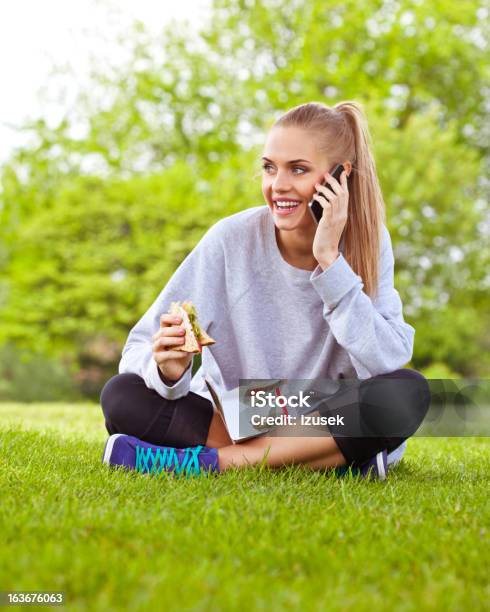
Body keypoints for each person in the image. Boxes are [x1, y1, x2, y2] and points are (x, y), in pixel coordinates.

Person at [100, 100, 430, 480]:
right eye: (269, 168)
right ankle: (328, 464)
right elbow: (138, 348)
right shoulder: (231, 239)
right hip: (241, 413)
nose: (278, 186)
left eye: (299, 170)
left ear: (341, 177)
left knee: (408, 392)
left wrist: (330, 263)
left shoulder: (369, 243)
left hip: (324, 413)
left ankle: (209, 464)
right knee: (122, 395)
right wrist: (168, 372)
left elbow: (387, 360)